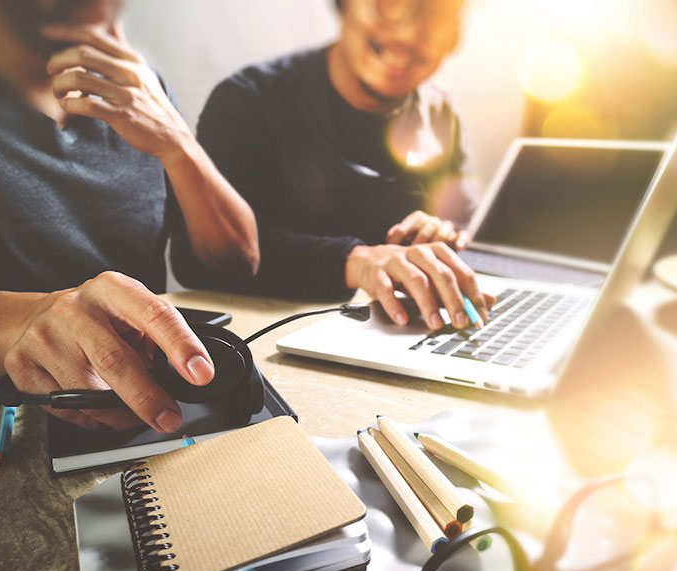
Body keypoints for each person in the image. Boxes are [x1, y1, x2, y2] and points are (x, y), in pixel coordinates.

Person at [0, 0, 260, 433]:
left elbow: (237, 264)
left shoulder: (138, 86)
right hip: (8, 432)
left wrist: (177, 143)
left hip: (158, 422)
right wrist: (26, 318)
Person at [190, 0, 490, 332]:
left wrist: (445, 234)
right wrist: (355, 262)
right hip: (271, 340)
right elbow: (206, 260)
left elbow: (469, 228)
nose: (410, 33)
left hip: (410, 335)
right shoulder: (247, 104)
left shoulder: (440, 114)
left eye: (438, 14)